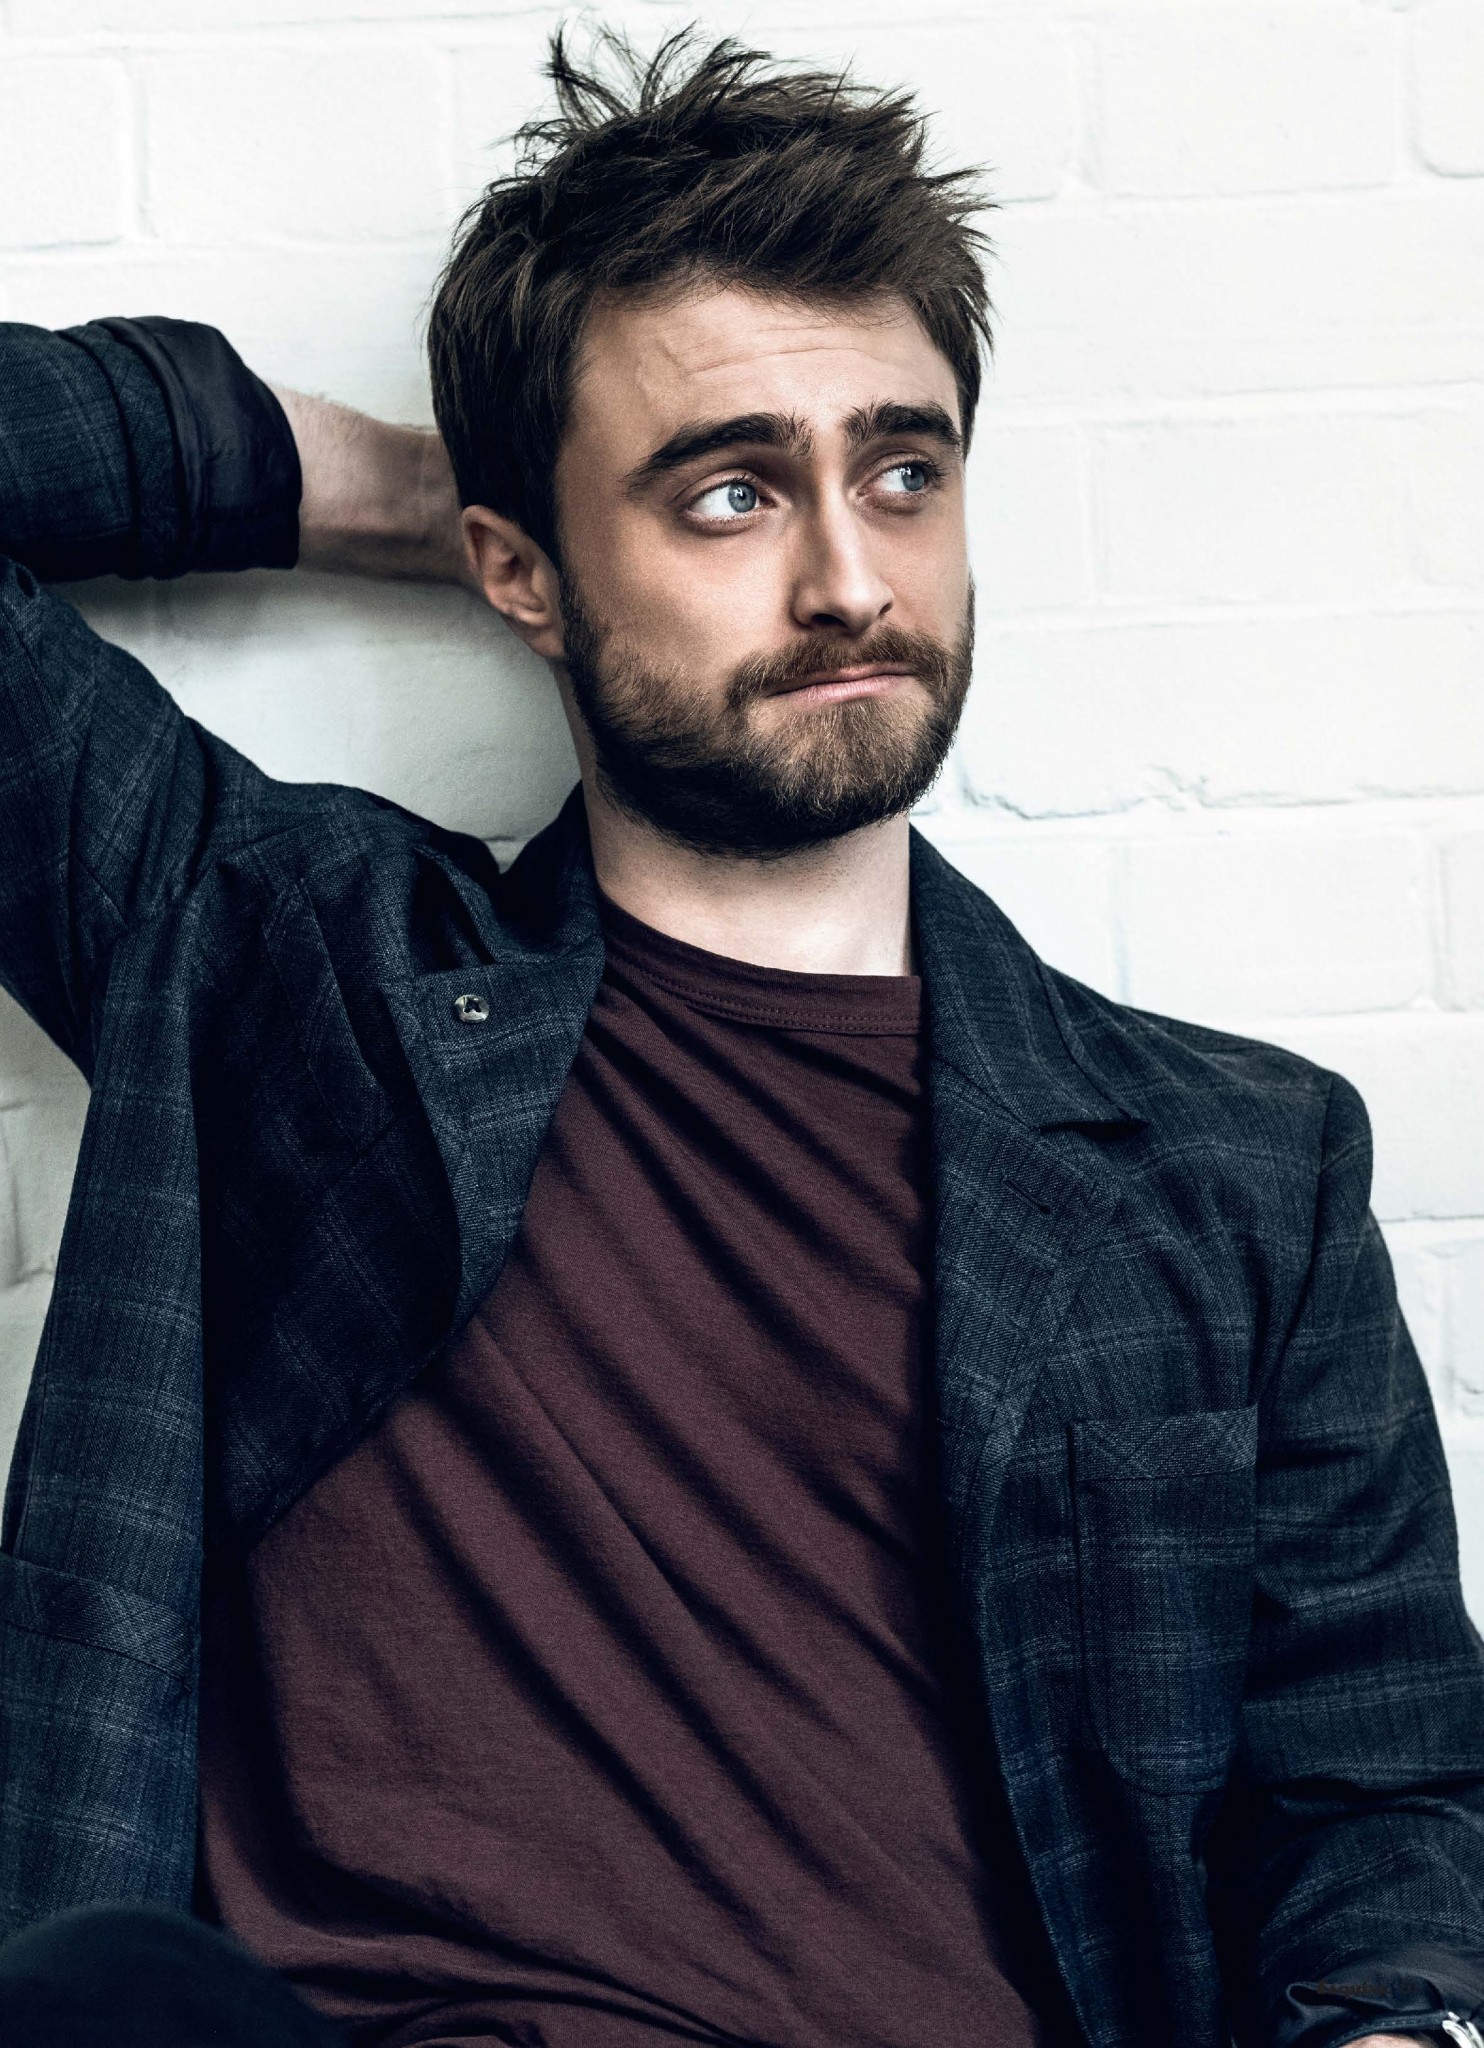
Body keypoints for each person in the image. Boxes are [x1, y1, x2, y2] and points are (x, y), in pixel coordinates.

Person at [0, 28, 1480, 2048]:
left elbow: (1380, 1791)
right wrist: (362, 483)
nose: (850, 579)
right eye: (727, 492)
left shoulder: (1235, 1169)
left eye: (903, 471)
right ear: (522, 572)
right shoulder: (278, 964)